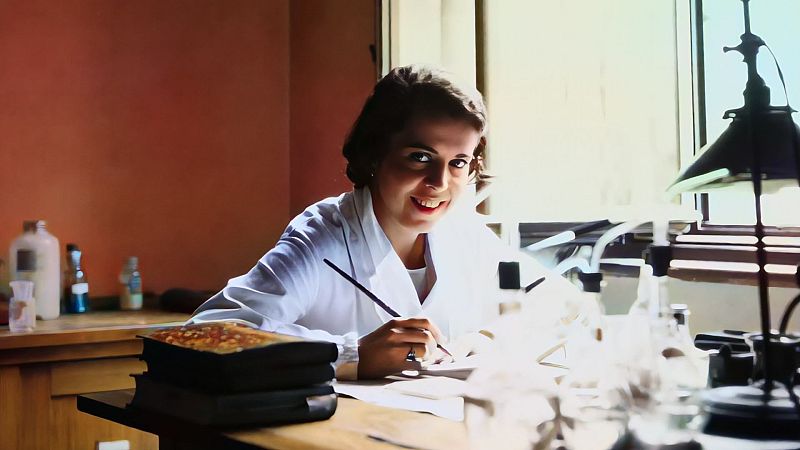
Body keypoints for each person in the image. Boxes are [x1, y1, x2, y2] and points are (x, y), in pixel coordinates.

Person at [190, 65, 578, 379]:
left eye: (458, 162)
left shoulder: (461, 231)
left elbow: (559, 302)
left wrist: (490, 338)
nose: (439, 183)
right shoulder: (323, 236)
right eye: (420, 157)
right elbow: (209, 331)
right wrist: (350, 354)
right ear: (375, 152)